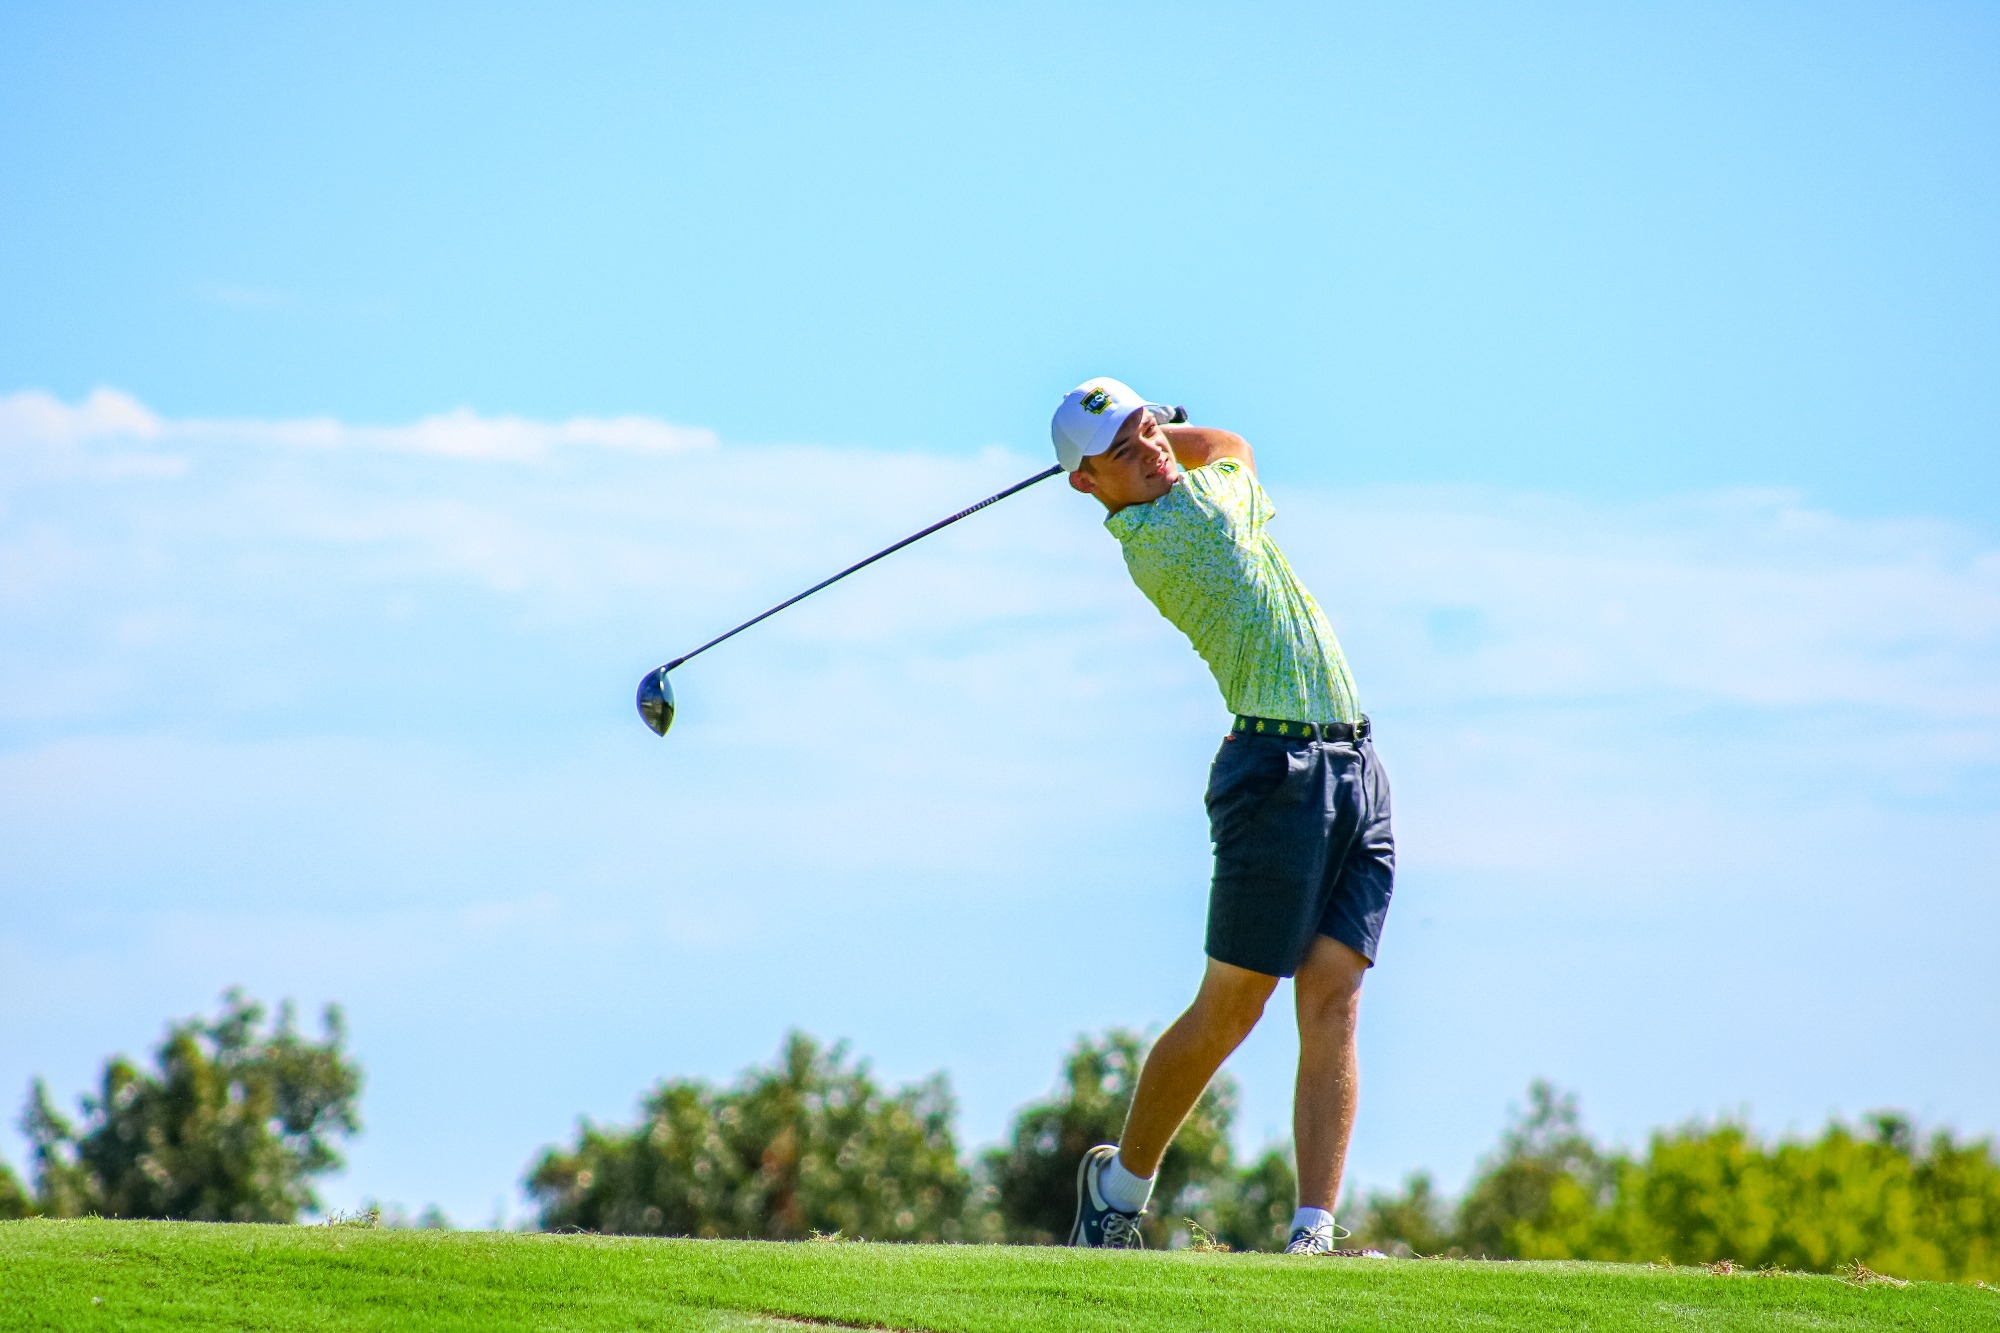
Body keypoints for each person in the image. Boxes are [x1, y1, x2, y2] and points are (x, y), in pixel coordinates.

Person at [1052, 377, 1394, 1256]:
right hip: (1276, 773)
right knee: (1233, 1006)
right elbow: (1232, 444)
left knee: (1335, 999)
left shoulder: (1170, 491)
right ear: (1087, 486)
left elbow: (1206, 451)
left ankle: (1313, 1231)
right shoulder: (1182, 529)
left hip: (1354, 761)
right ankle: (1117, 1190)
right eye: (1122, 451)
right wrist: (1174, 426)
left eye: (1145, 430)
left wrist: (1146, 431)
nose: (1150, 450)